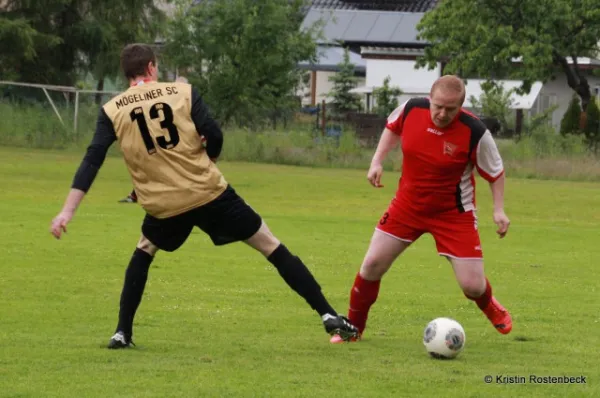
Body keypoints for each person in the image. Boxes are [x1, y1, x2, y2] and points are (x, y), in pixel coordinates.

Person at [50, 43, 358, 349]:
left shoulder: (113, 110)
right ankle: (328, 314)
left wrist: (67, 211)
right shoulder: (182, 92)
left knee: (144, 250)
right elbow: (215, 133)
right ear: (151, 68)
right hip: (208, 191)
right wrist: (209, 156)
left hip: (164, 205)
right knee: (270, 245)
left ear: (126, 73)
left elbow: (93, 158)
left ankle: (122, 332)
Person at [330, 75, 512, 344]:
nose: (442, 113)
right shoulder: (411, 108)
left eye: (450, 109)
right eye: (438, 106)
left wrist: (499, 210)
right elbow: (392, 127)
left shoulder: (475, 132)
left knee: (472, 286)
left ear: (461, 106)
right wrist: (377, 161)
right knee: (371, 266)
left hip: (453, 213)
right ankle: (353, 329)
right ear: (430, 98)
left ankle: (489, 304)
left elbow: (496, 173)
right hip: (408, 206)